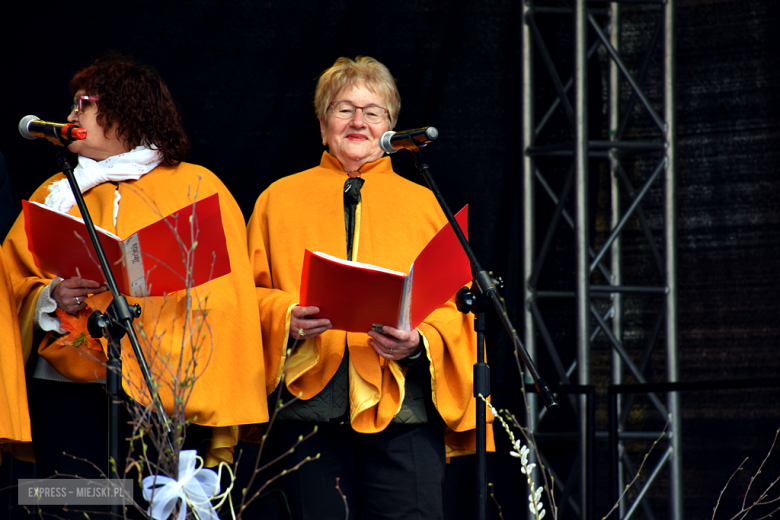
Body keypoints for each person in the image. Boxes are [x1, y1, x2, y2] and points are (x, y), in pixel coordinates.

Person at [3, 54, 268, 503]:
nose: (69, 116)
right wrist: (50, 297)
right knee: (63, 504)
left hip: (165, 390)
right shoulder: (54, 192)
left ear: (125, 109)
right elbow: (12, 286)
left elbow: (228, 301)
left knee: (146, 508)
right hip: (67, 390)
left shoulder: (198, 186)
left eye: (81, 104)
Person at [246, 56, 493, 520]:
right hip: (305, 411)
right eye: (343, 109)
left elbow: (456, 305)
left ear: (390, 128)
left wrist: (421, 343)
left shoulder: (426, 204)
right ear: (323, 126)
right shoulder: (276, 200)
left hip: (404, 413)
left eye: (372, 111)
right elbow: (245, 296)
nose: (358, 121)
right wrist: (285, 316)